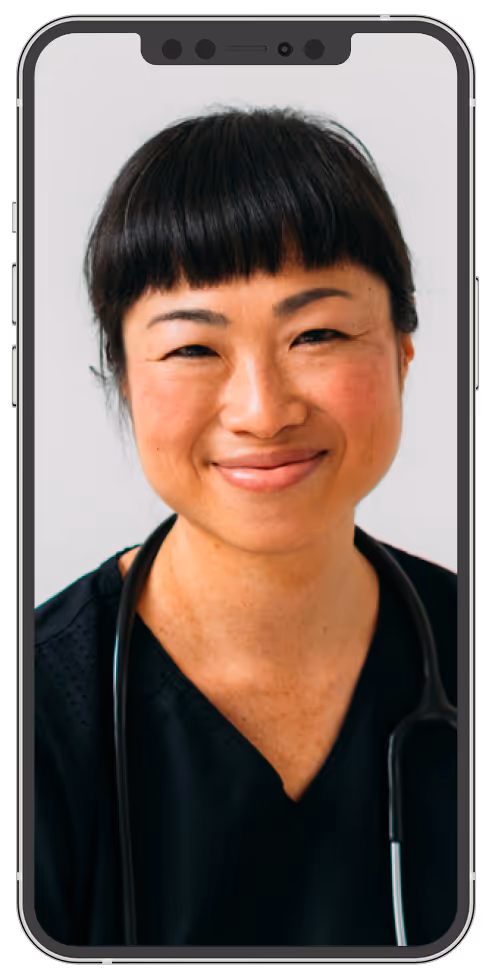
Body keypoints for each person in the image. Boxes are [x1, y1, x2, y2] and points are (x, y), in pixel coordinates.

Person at [34, 107, 457, 949]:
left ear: (404, 351)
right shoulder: (38, 713)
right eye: (195, 349)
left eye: (319, 334)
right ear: (120, 379)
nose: (263, 411)